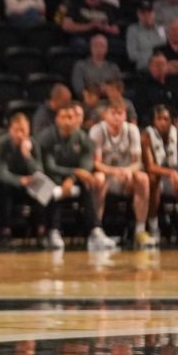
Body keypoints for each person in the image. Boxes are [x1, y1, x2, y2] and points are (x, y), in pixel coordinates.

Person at [38, 103, 116, 252]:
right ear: (57, 119)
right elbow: (50, 167)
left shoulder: (84, 139)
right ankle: (53, 231)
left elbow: (85, 168)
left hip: (75, 181)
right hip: (53, 178)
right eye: (63, 117)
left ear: (76, 120)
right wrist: (73, 174)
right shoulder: (47, 138)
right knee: (54, 188)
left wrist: (72, 178)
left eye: (71, 117)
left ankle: (95, 231)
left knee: (88, 182)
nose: (67, 120)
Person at [90, 102, 154, 250]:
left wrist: (127, 171)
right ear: (105, 115)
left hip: (126, 177)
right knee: (98, 178)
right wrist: (115, 171)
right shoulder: (97, 130)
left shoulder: (132, 130)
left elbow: (137, 163)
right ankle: (97, 229)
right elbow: (95, 163)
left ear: (125, 115)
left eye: (120, 113)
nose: (117, 117)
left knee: (143, 178)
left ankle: (140, 230)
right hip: (107, 175)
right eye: (113, 113)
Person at [0, 113, 46, 245]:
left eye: (23, 130)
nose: (20, 134)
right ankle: (5, 231)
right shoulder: (1, 144)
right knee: (3, 187)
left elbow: (39, 171)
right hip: (11, 185)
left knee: (42, 186)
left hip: (30, 186)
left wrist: (27, 155)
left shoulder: (33, 144)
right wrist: (19, 180)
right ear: (10, 130)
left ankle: (41, 230)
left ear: (28, 130)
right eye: (17, 130)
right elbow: (1, 172)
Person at [142, 105, 178, 243]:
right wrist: (171, 173)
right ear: (154, 121)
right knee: (153, 180)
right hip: (156, 176)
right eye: (159, 118)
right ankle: (153, 226)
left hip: (173, 175)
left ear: (171, 121)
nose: (163, 122)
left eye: (166, 119)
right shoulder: (146, 136)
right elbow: (150, 167)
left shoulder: (176, 133)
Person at [127, 2, 165, 72]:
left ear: (154, 14)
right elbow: (132, 55)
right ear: (138, 15)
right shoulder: (132, 30)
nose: (147, 15)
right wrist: (152, 59)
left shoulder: (161, 28)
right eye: (143, 13)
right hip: (145, 68)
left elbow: (165, 46)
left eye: (149, 12)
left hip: (163, 67)